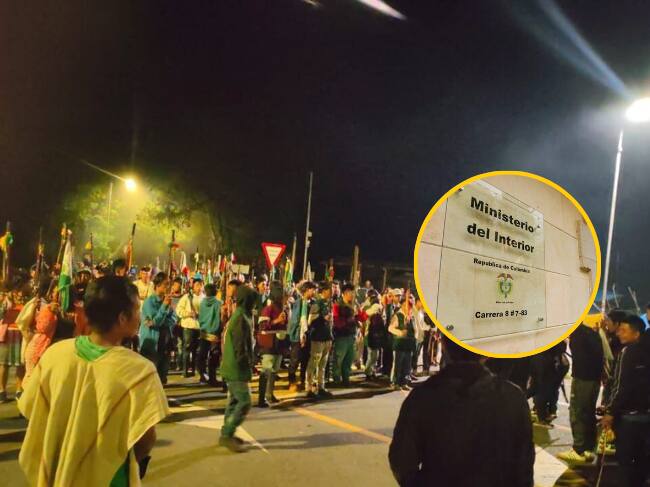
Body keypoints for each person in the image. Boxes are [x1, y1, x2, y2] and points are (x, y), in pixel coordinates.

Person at [18, 276, 169, 486]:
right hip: (110, 477)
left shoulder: (55, 354)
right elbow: (146, 439)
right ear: (122, 318)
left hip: (57, 470)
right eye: (136, 310)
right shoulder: (140, 371)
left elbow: (32, 410)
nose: (140, 316)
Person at [389, 334, 534, 486]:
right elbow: (524, 469)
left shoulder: (422, 397)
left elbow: (402, 461)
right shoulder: (513, 398)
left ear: (444, 345)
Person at [601, 314, 650, 487]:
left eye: (623, 330)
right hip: (646, 415)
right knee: (643, 459)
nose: (619, 333)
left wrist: (610, 412)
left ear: (636, 334)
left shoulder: (627, 352)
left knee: (626, 461)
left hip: (628, 417)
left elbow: (620, 386)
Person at [557, 317, 604, 464]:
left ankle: (579, 449)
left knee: (577, 412)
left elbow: (581, 360)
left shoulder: (578, 336)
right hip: (594, 380)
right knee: (588, 413)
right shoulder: (591, 333)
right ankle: (589, 449)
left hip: (583, 379)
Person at [219, 285, 257, 453]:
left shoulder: (241, 315)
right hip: (236, 367)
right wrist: (247, 365)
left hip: (231, 365)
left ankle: (226, 432)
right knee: (244, 401)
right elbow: (240, 347)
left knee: (234, 401)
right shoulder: (240, 318)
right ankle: (227, 434)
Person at [139, 272, 176, 385]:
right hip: (152, 342)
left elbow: (173, 319)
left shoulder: (167, 300)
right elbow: (155, 322)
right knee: (151, 376)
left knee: (162, 375)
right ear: (157, 285)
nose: (168, 287)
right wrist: (164, 307)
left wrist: (157, 321)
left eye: (168, 284)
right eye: (165, 284)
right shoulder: (149, 302)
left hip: (165, 341)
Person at [257, 281, 287, 407]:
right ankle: (261, 398)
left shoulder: (283, 309)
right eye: (283, 296)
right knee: (266, 370)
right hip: (269, 344)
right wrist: (277, 320)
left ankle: (270, 394)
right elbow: (262, 326)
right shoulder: (268, 309)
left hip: (279, 344)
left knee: (274, 371)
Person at [305, 281, 334, 399]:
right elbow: (310, 320)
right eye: (329, 290)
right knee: (313, 363)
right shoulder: (317, 303)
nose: (331, 292)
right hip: (318, 337)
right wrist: (323, 318)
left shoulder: (327, 303)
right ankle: (309, 388)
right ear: (324, 291)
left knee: (322, 365)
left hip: (326, 337)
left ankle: (321, 387)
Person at [287, 281, 316, 392]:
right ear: (307, 290)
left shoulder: (313, 303)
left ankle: (303, 380)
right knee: (295, 359)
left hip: (309, 335)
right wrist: (300, 333)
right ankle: (291, 381)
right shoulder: (298, 303)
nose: (314, 292)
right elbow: (295, 320)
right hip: (297, 336)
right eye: (312, 289)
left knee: (306, 360)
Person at [332, 283, 359, 387]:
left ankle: (346, 378)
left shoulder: (353, 305)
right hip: (341, 336)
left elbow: (360, 317)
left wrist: (360, 316)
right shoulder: (337, 305)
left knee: (349, 359)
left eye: (352, 292)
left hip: (351, 336)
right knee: (339, 359)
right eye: (349, 293)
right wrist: (350, 319)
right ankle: (336, 379)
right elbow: (337, 322)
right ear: (343, 293)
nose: (351, 295)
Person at [176, 278, 204, 377]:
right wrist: (189, 314)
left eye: (201, 285)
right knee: (187, 348)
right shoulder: (187, 297)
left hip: (199, 327)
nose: (199, 287)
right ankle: (185, 370)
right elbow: (178, 310)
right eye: (197, 285)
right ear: (193, 286)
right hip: (188, 326)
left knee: (197, 350)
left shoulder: (204, 298)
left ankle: (194, 369)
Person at [388, 292, 416, 391]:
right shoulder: (398, 315)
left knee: (407, 365)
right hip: (399, 344)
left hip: (408, 345)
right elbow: (390, 328)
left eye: (410, 306)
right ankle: (394, 382)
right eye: (406, 305)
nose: (408, 307)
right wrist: (400, 332)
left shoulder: (411, 317)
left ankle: (404, 382)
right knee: (397, 365)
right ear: (402, 305)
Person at [197, 283, 222, 386]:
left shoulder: (202, 303)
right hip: (214, 334)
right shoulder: (218, 303)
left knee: (202, 355)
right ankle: (212, 378)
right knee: (213, 357)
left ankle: (203, 376)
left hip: (203, 332)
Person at [363, 289, 385, 380]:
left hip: (377, 333)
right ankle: (368, 372)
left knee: (375, 355)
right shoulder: (368, 307)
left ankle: (372, 371)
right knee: (371, 354)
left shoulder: (378, 307)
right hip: (370, 333)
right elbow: (365, 315)